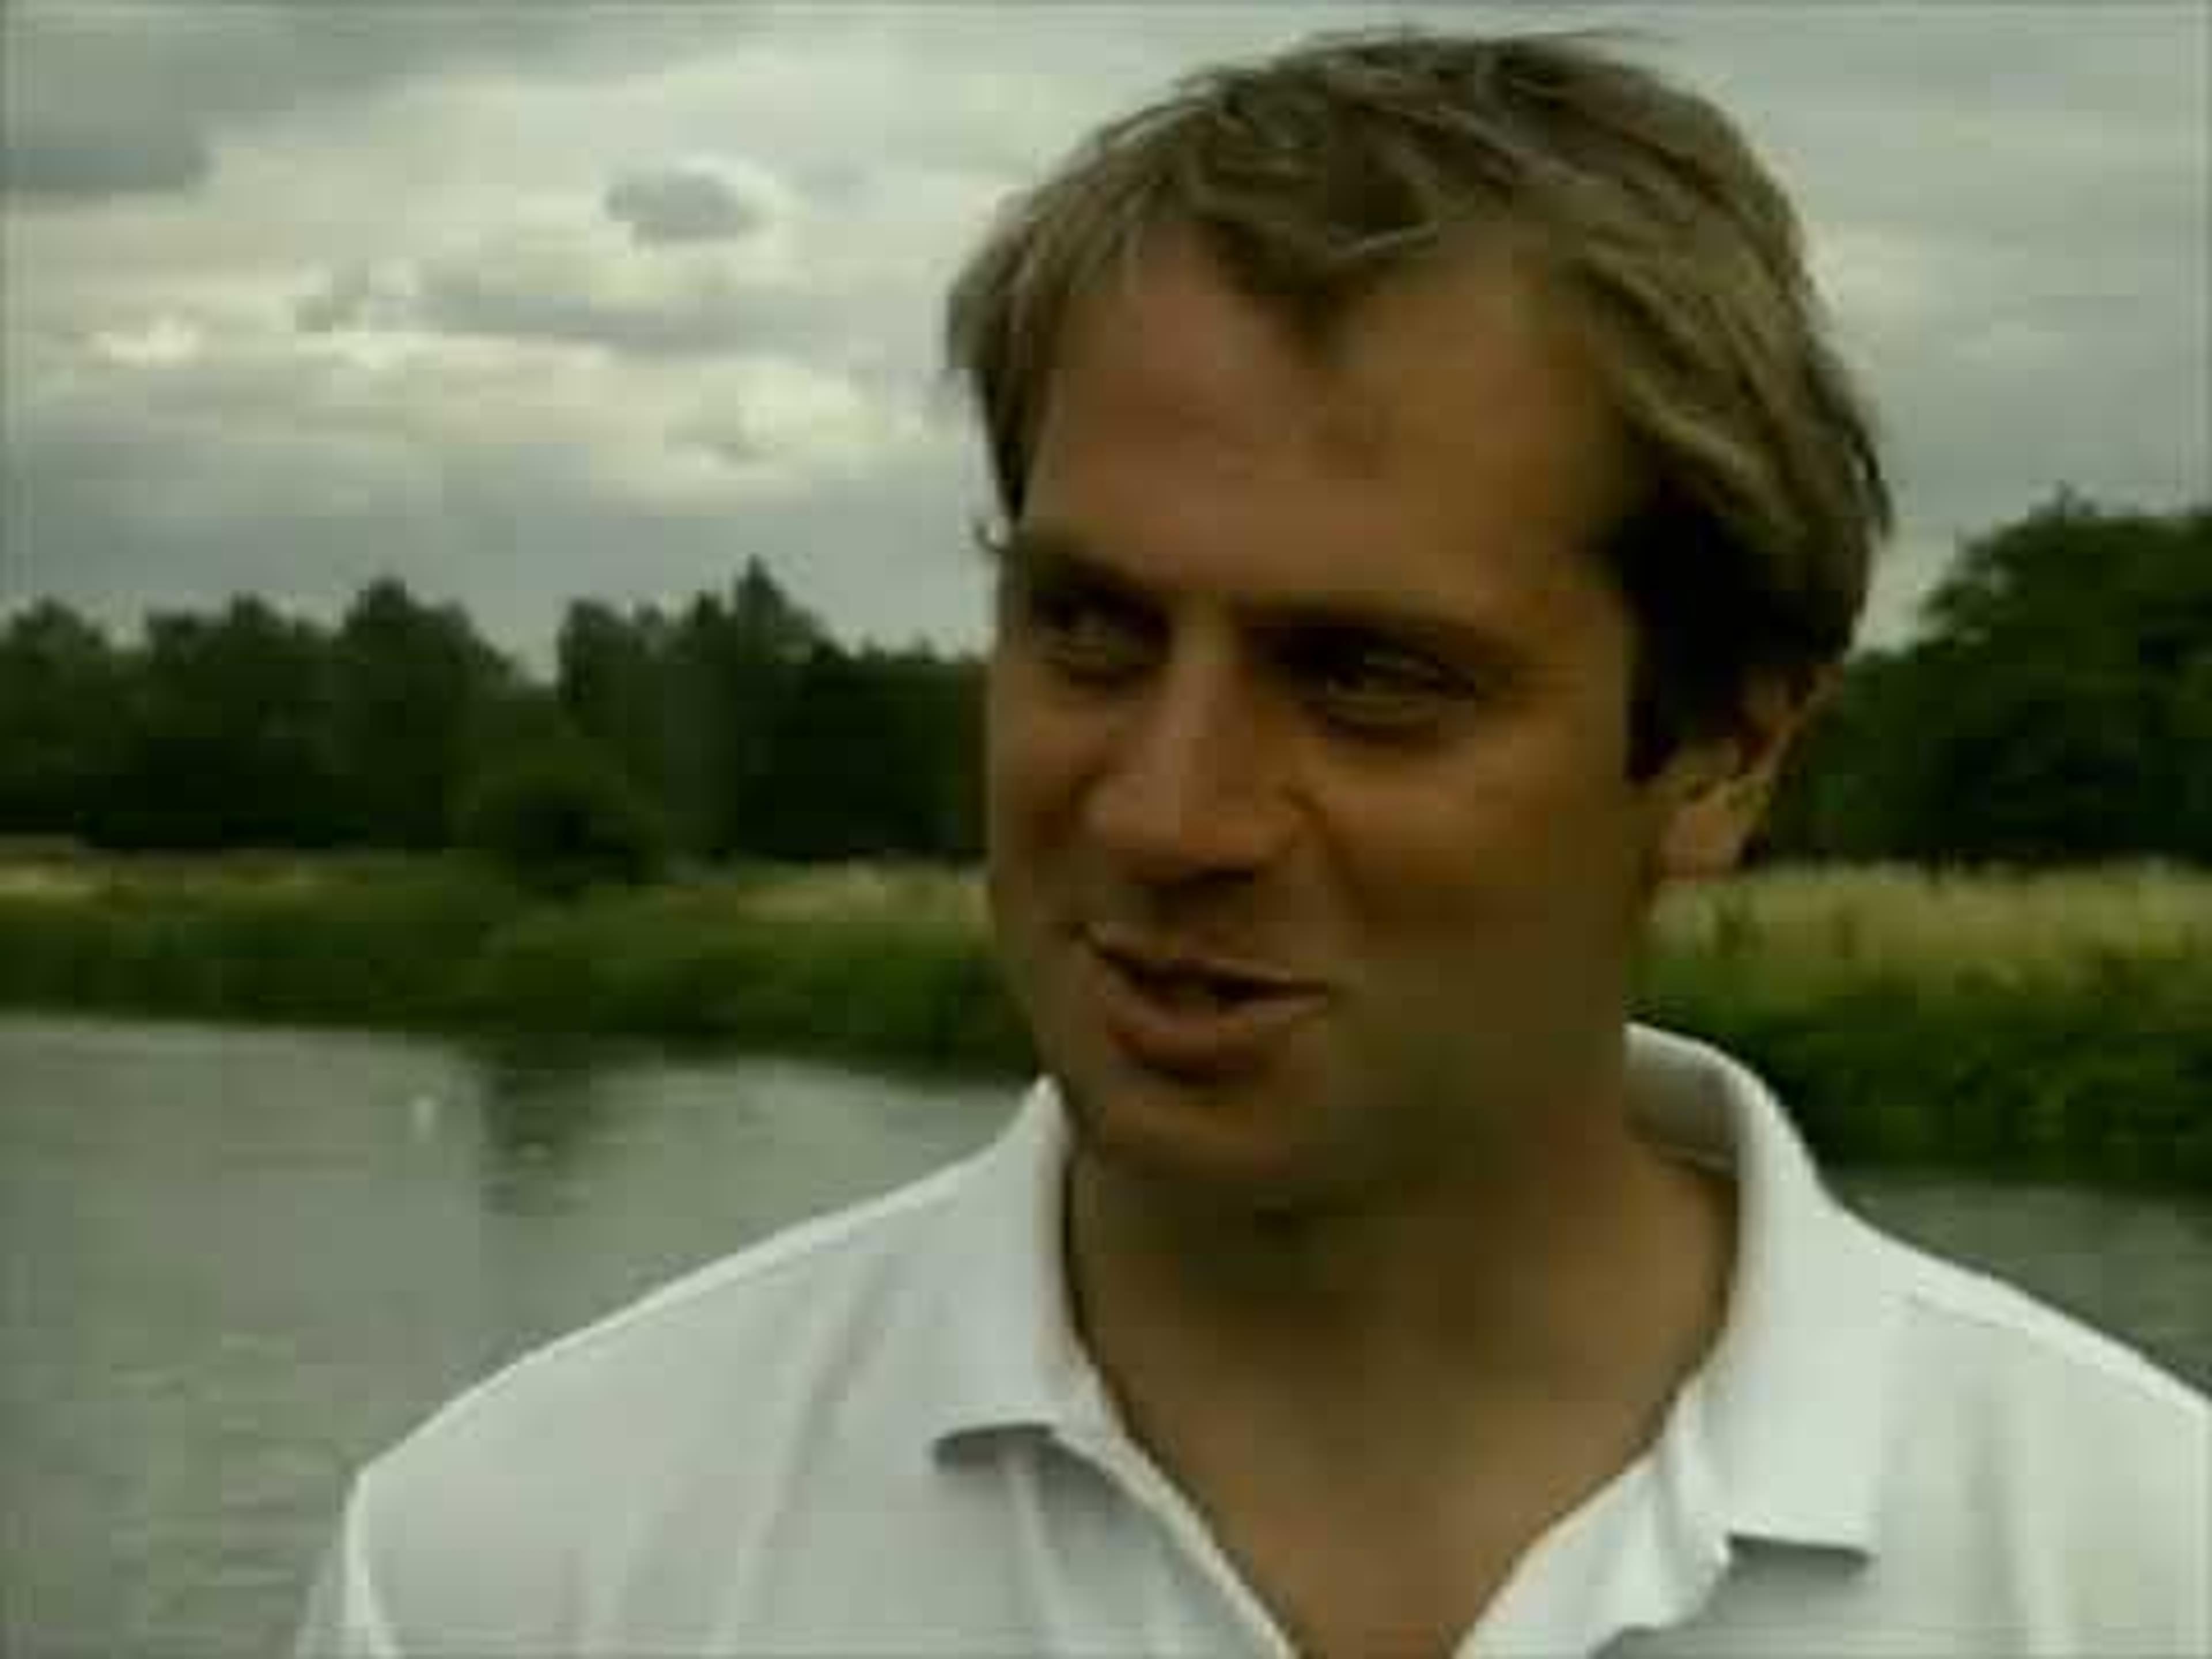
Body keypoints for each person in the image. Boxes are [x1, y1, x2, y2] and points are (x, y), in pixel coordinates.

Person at [297, 28, 2209, 1657]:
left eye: (1370, 677)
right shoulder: (519, 1571)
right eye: (1090, 630)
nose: (1165, 812)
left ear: (1723, 754)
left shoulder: (2135, 1572)